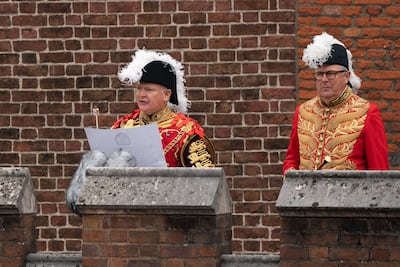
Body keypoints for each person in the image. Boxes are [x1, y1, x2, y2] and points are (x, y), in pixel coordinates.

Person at [283, 32, 389, 174]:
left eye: (330, 73)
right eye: (320, 74)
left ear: (346, 76)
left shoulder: (368, 112)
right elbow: (292, 159)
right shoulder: (303, 112)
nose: (324, 79)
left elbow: (379, 172)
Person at [112, 49, 215, 168]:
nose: (141, 94)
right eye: (139, 88)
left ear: (166, 94)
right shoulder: (123, 126)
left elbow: (204, 179)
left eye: (149, 89)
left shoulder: (187, 132)